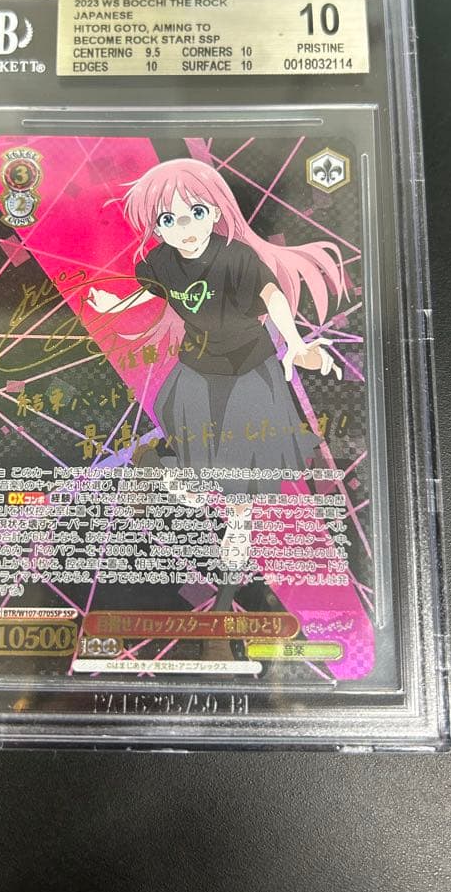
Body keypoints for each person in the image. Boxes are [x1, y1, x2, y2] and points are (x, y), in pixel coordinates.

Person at [87, 158, 345, 613]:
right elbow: (152, 289)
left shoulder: (235, 257)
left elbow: (272, 295)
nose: (185, 228)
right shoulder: (161, 261)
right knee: (187, 430)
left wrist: (296, 344)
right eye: (169, 220)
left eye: (196, 213)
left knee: (243, 455)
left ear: (215, 211)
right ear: (157, 227)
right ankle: (190, 480)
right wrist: (114, 305)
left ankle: (239, 523)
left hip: (247, 367)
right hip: (198, 364)